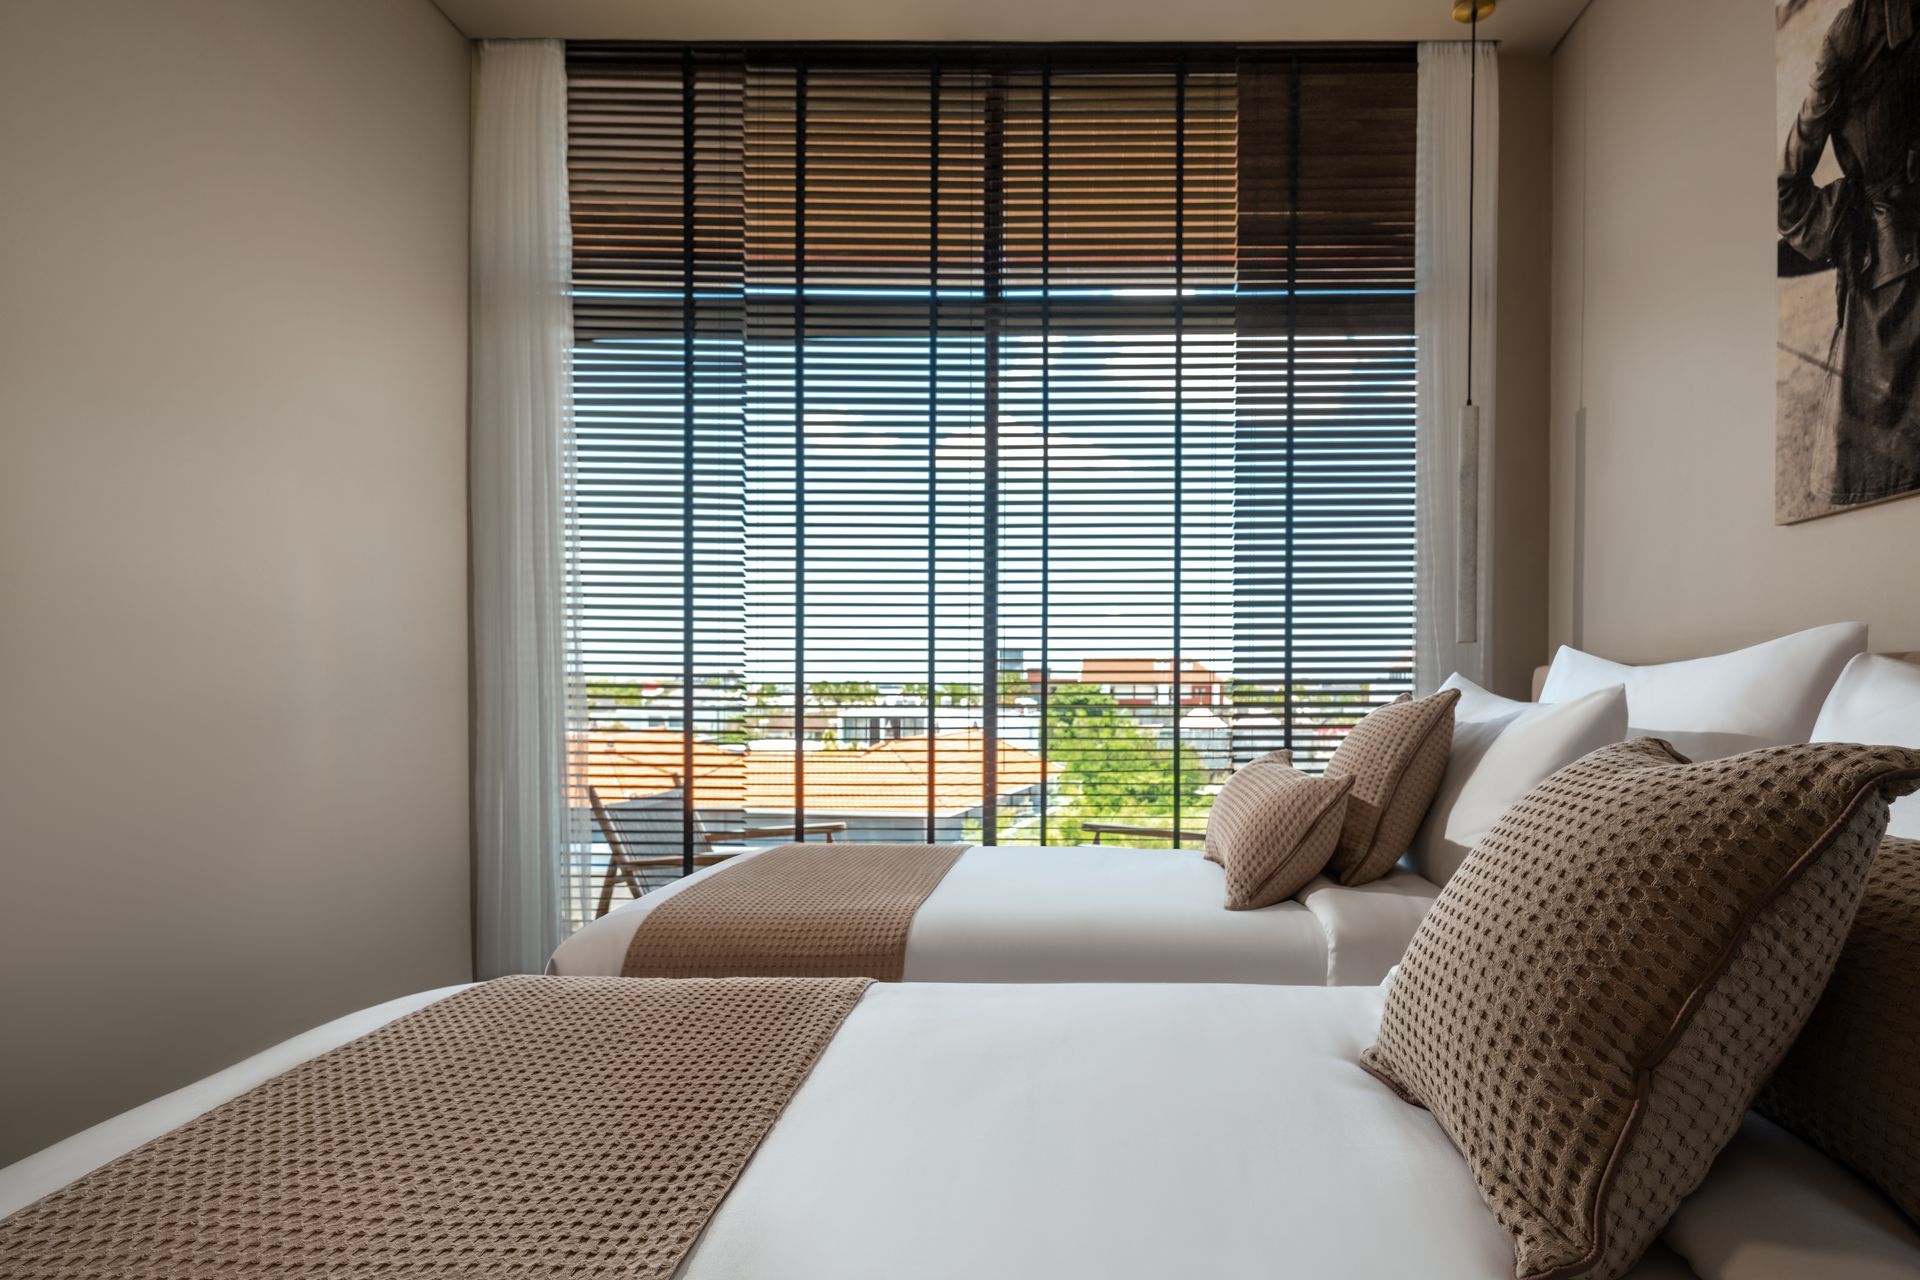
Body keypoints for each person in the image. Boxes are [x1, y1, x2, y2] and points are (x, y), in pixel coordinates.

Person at [1780, 0, 1920, 506]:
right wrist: (1850, 212)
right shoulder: (1850, 37)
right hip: (1891, 295)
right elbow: (1785, 192)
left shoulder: (1850, 35)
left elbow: (1785, 192)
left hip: (1890, 289)